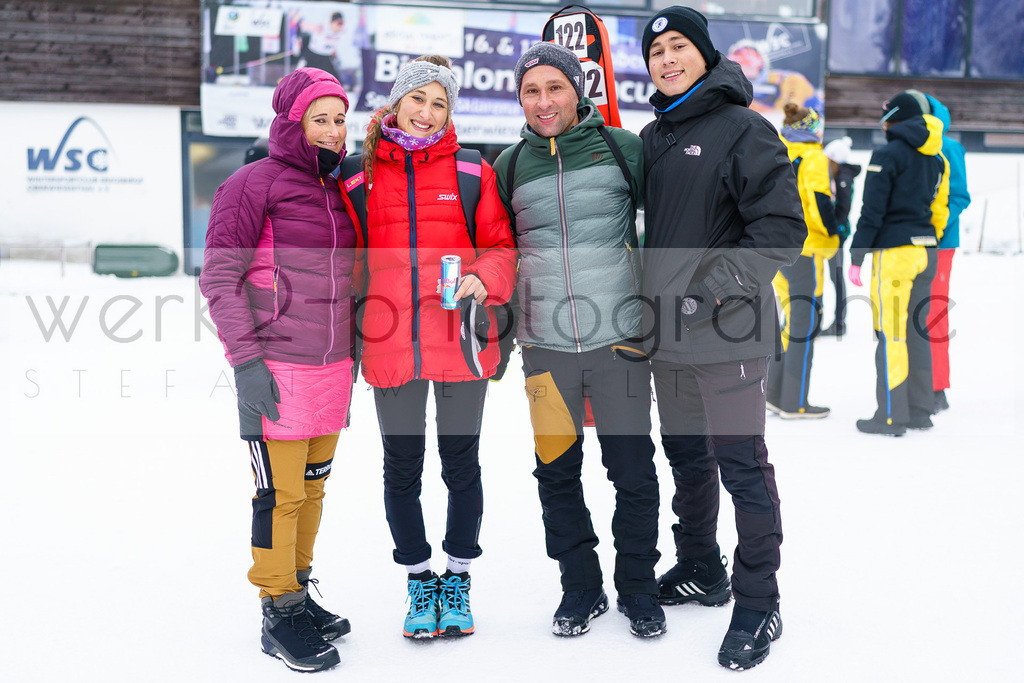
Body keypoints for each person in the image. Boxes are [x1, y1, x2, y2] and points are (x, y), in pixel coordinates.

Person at [639, 6, 804, 670]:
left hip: (728, 334)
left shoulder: (744, 129)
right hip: (668, 339)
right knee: (687, 461)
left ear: (705, 56)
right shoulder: (656, 136)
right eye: (657, 53)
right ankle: (702, 565)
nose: (668, 59)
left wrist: (708, 290)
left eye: (680, 46)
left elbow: (780, 230)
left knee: (741, 467)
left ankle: (759, 600)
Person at [492, 42, 664, 639]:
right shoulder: (509, 166)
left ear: (577, 89)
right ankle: (580, 587)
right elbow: (500, 252)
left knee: (633, 472)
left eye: (554, 87)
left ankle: (639, 588)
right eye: (531, 90)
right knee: (556, 473)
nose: (544, 101)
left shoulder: (624, 149)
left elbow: (667, 224)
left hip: (618, 343)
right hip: (544, 349)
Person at [200, 67, 357, 673]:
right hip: (275, 371)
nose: (332, 130)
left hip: (331, 371)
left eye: (340, 119)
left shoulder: (340, 190)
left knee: (312, 491)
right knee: (279, 494)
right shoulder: (251, 184)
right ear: (292, 123)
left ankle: (298, 591)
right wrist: (245, 363)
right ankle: (276, 608)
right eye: (320, 118)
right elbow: (219, 277)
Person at [356, 55, 516, 639]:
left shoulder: (473, 171)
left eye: (439, 102)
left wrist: (486, 278)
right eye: (417, 99)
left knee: (460, 465)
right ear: (395, 103)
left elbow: (502, 245)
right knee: (401, 468)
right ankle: (419, 579)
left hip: (461, 346)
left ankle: (458, 576)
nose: (427, 113)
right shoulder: (361, 175)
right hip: (389, 343)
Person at [848, 89, 949, 435]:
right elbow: (940, 210)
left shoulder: (887, 154)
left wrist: (857, 255)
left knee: (891, 335)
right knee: (917, 332)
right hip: (926, 252)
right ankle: (920, 410)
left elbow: (871, 212)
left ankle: (890, 415)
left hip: (895, 255)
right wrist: (925, 239)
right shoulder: (938, 159)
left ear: (895, 117)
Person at [767, 103, 839, 419]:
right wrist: (835, 235)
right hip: (805, 250)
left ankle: (774, 393)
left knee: (789, 321)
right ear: (813, 130)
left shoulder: (776, 152)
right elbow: (821, 204)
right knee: (805, 325)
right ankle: (794, 402)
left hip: (777, 248)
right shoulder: (814, 158)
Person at [923, 94, 970, 413]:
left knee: (934, 314)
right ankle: (914, 381)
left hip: (940, 245)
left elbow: (960, 196)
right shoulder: (911, 144)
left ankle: (938, 386)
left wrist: (934, 226)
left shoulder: (951, 148)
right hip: (908, 244)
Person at [819, 136, 862, 337]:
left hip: (836, 235)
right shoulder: (839, 175)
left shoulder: (843, 177)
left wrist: (833, 230)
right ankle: (833, 321)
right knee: (831, 277)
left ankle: (839, 322)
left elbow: (843, 209)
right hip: (833, 233)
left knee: (835, 277)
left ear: (835, 160)